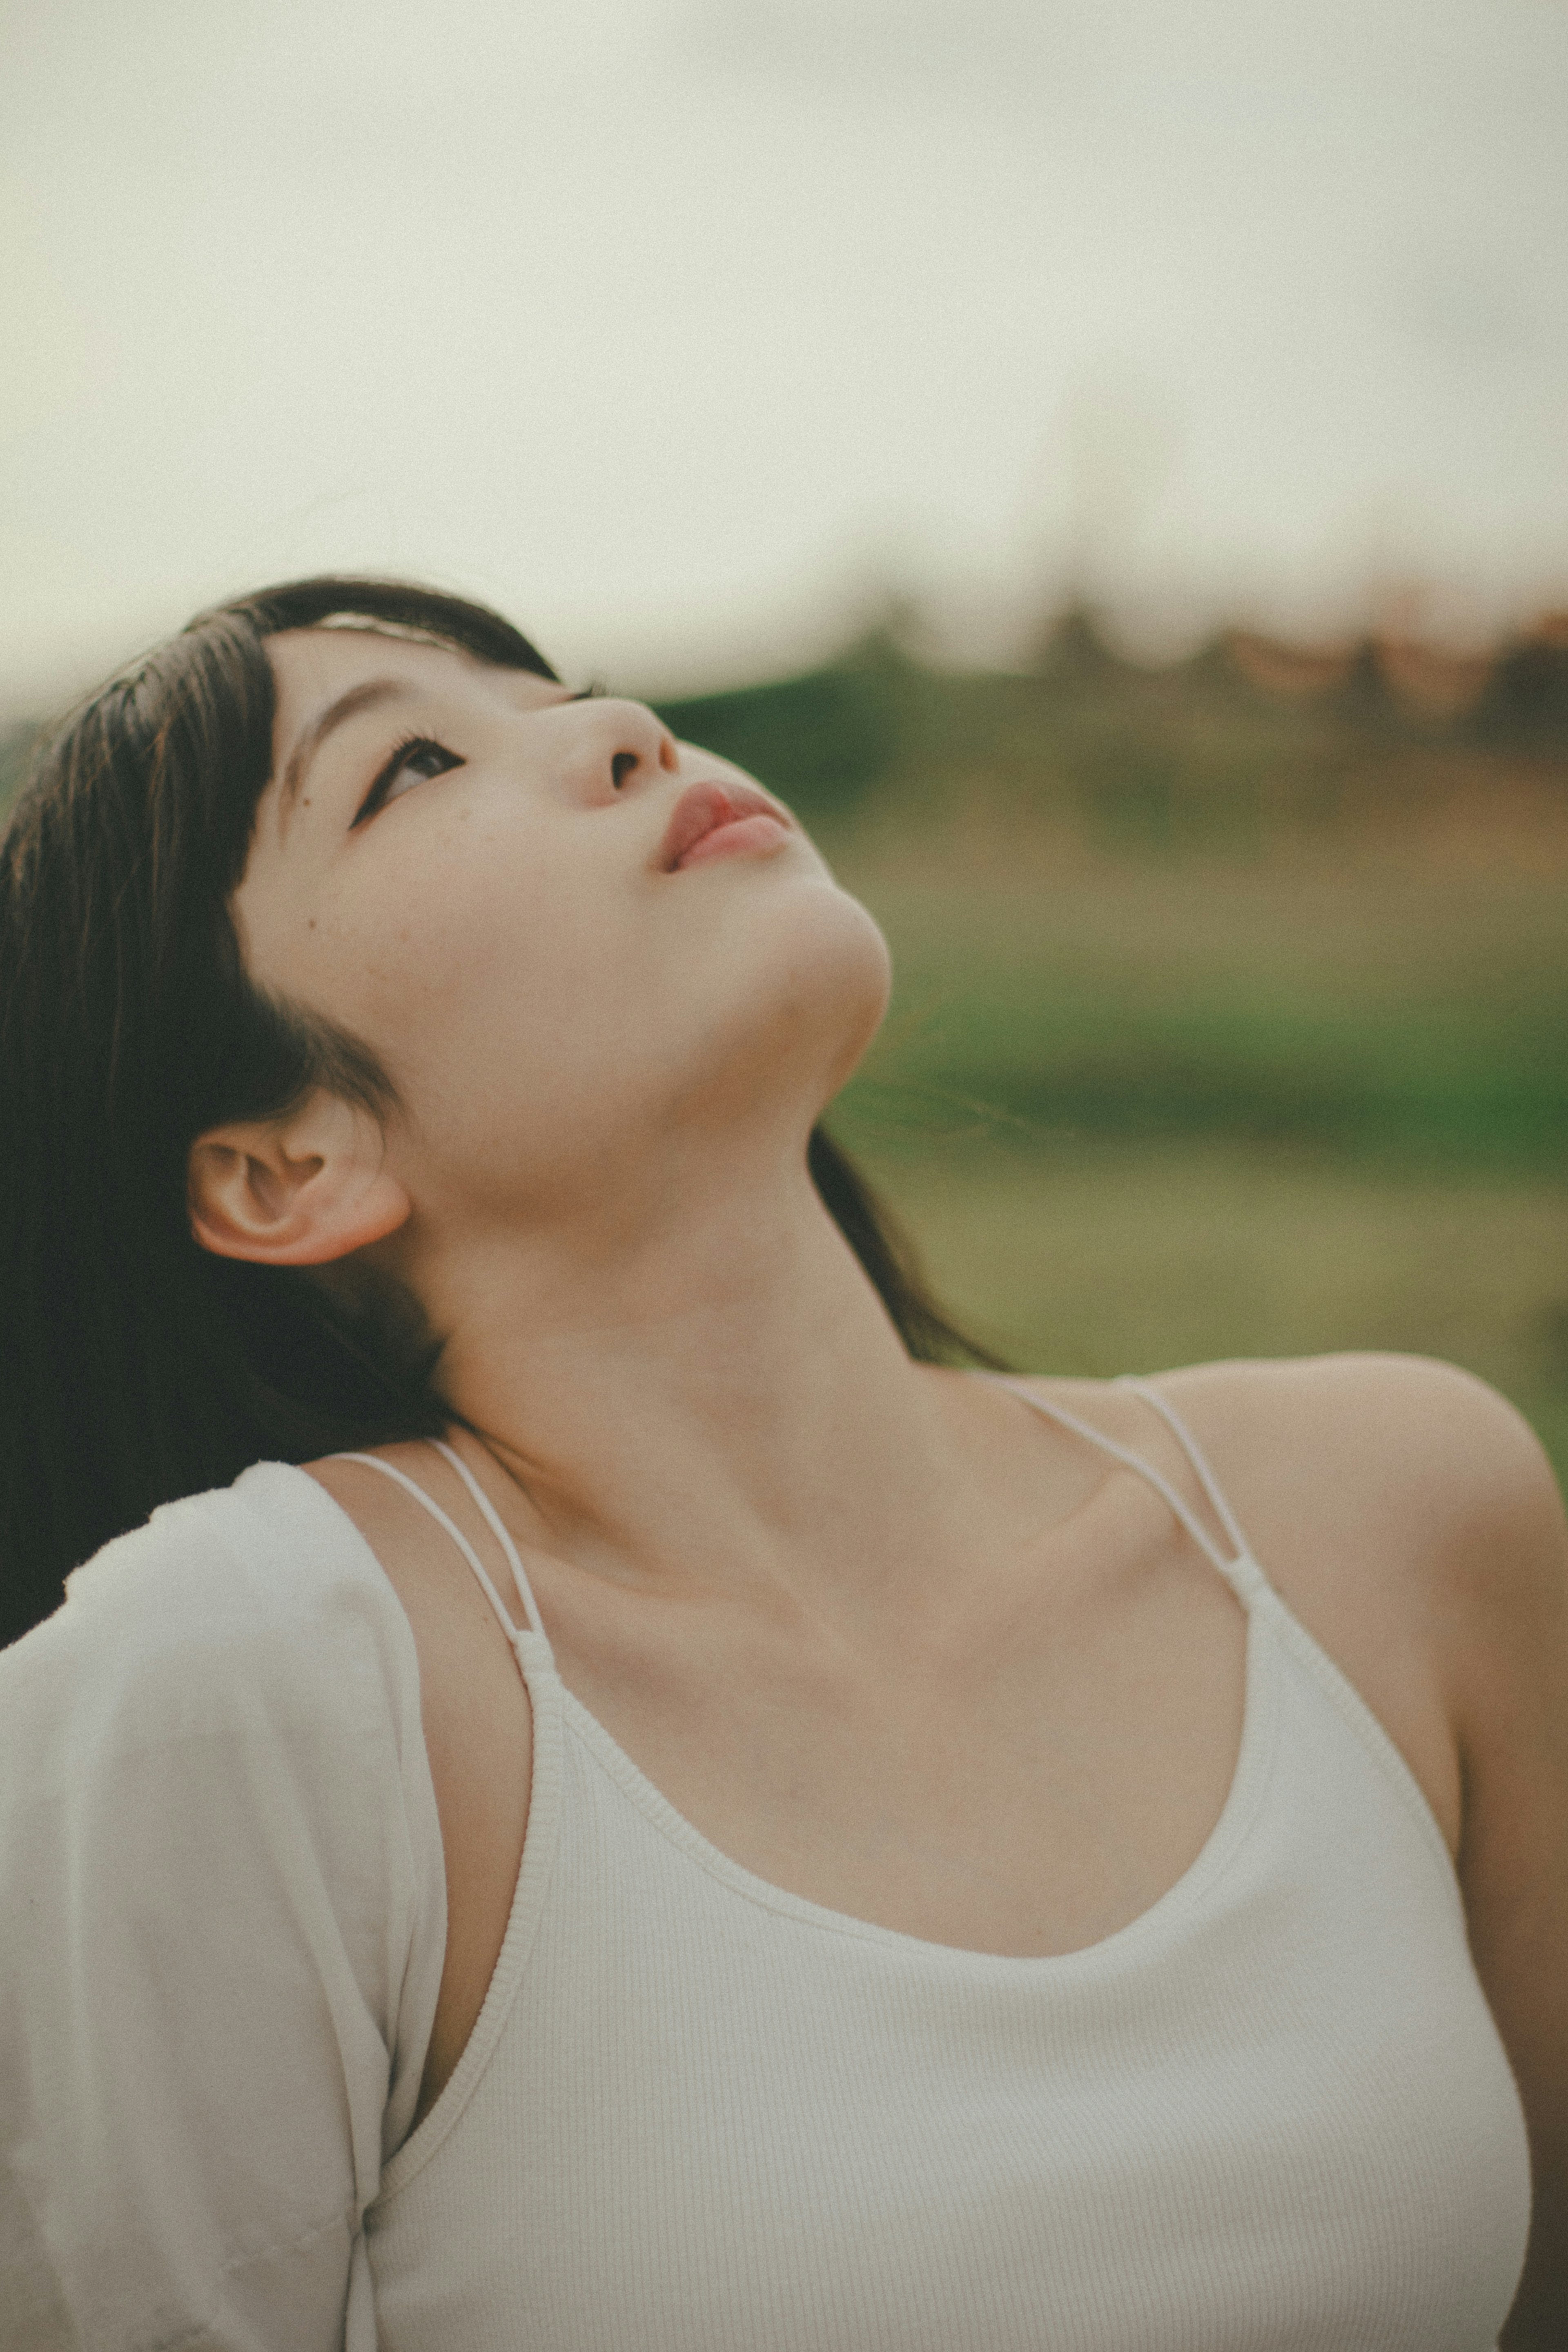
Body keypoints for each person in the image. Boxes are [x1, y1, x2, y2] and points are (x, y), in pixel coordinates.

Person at [0, 575, 1561, 2352]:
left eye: (569, 690)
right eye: (414, 766)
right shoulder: (243, 1688)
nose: (619, 731)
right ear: (287, 1170)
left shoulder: (1407, 1516)